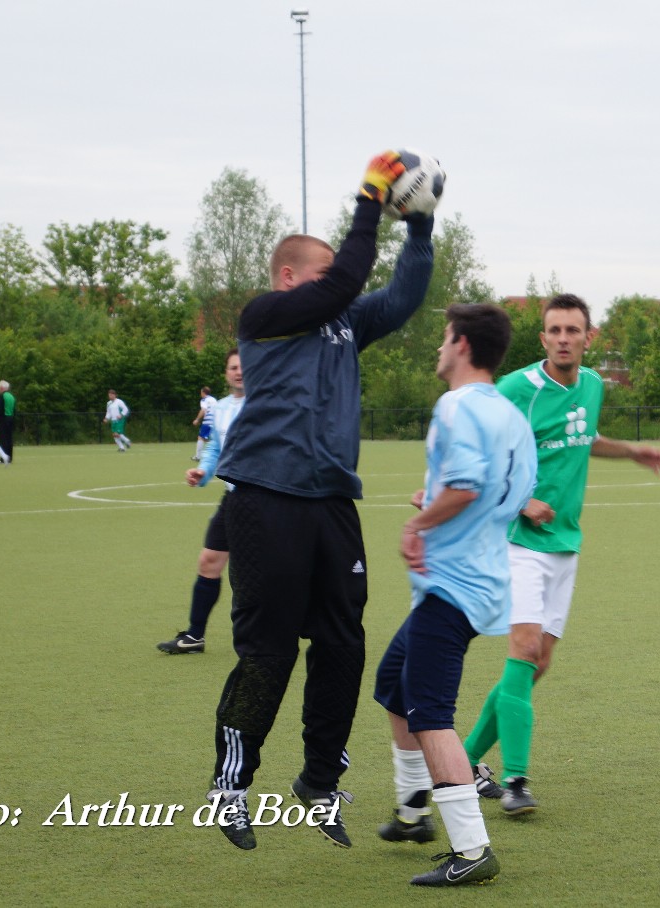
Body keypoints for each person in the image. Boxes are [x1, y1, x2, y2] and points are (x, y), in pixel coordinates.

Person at [204, 152, 432, 852]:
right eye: (325, 271)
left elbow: (400, 297)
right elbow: (346, 285)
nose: (338, 281)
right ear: (288, 276)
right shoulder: (266, 315)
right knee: (268, 650)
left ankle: (319, 779)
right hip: (265, 498)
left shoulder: (342, 320)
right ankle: (231, 786)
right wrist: (369, 201)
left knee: (342, 644)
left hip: (332, 503)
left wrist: (419, 227)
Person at [463, 293, 660, 817]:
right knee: (524, 648)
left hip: (565, 543)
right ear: (542, 338)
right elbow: (477, 449)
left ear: (588, 337)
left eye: (572, 330)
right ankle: (515, 781)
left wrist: (632, 451)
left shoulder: (593, 385)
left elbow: (583, 437)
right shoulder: (517, 389)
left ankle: (463, 762)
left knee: (538, 663)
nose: (562, 339)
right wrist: (520, 500)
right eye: (554, 330)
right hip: (517, 542)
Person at [374, 304, 536, 886]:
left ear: (462, 345)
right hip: (481, 575)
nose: (439, 348)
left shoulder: (457, 405)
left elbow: (466, 487)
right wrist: (439, 498)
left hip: (454, 583)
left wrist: (418, 524)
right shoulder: (510, 415)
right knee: (394, 685)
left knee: (428, 712)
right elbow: (509, 492)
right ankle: (413, 812)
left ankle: (472, 851)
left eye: (444, 338)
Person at [158, 350, 245, 654]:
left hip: (267, 500)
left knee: (263, 570)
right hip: (234, 497)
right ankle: (195, 636)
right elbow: (214, 450)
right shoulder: (219, 408)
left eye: (244, 366)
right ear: (226, 373)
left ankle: (277, 631)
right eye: (233, 367)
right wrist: (203, 471)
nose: (239, 371)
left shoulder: (267, 403)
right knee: (209, 561)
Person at [0, 380, 16, 463]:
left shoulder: (2, 396)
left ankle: (3, 458)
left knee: (3, 439)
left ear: (1, 388)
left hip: (4, 419)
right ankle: (9, 457)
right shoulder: (11, 396)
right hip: (11, 419)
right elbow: (14, 410)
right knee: (9, 439)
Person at [192, 386, 216, 462]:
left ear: (203, 392)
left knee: (201, 437)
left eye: (201, 392)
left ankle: (198, 457)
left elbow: (203, 410)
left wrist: (197, 419)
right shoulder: (214, 399)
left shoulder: (204, 399)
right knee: (210, 439)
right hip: (215, 422)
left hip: (208, 422)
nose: (200, 394)